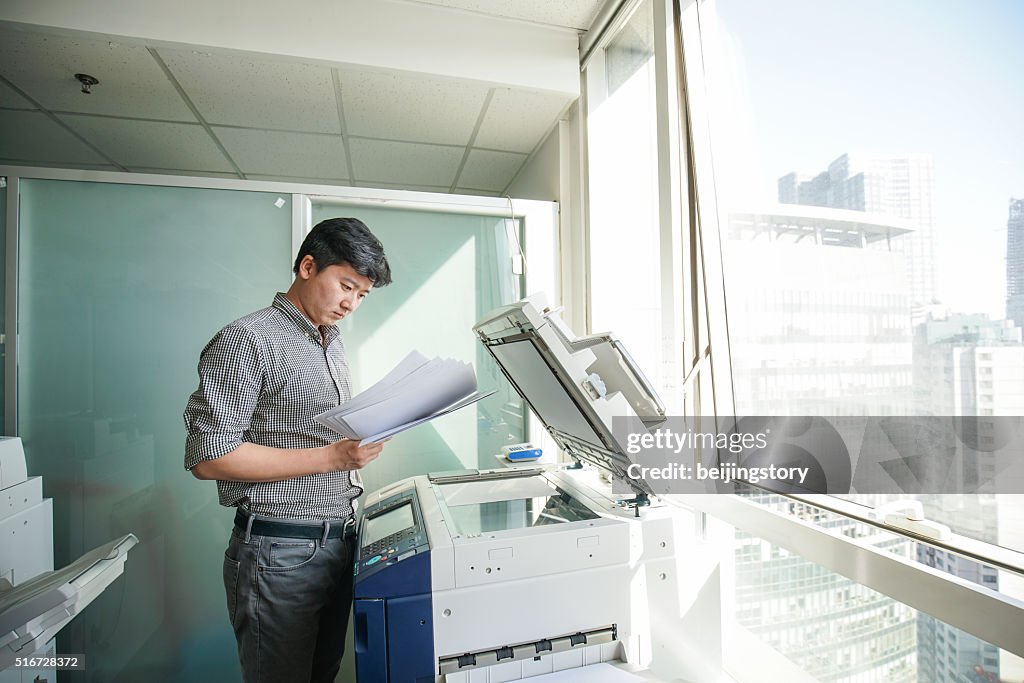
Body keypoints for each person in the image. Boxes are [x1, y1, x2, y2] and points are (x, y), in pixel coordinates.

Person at [183, 217, 392, 683]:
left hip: (337, 544)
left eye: (362, 295)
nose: (350, 304)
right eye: (345, 286)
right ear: (307, 266)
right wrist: (335, 457)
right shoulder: (247, 339)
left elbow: (309, 433)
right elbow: (209, 457)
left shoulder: (329, 341)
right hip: (279, 554)